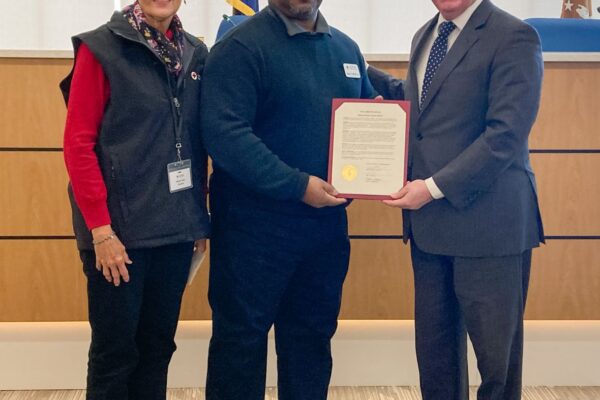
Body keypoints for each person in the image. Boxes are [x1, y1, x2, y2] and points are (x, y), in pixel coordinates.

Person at [368, 1, 544, 399]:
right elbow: (424, 105)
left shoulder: (514, 36)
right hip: (431, 228)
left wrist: (430, 187)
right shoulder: (425, 35)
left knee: (497, 367)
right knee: (436, 360)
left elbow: (505, 135)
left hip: (490, 228)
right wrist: (359, 70)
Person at [199, 0, 375, 398]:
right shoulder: (240, 47)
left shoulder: (346, 50)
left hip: (325, 233)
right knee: (240, 348)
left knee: (311, 343)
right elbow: (226, 135)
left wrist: (382, 132)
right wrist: (297, 185)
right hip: (253, 232)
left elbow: (367, 114)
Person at [60, 1, 210, 399]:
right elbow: (78, 144)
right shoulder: (101, 48)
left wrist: (198, 218)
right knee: (115, 355)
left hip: (176, 231)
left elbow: (197, 141)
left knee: (158, 349)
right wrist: (100, 230)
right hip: (118, 237)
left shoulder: (195, 51)